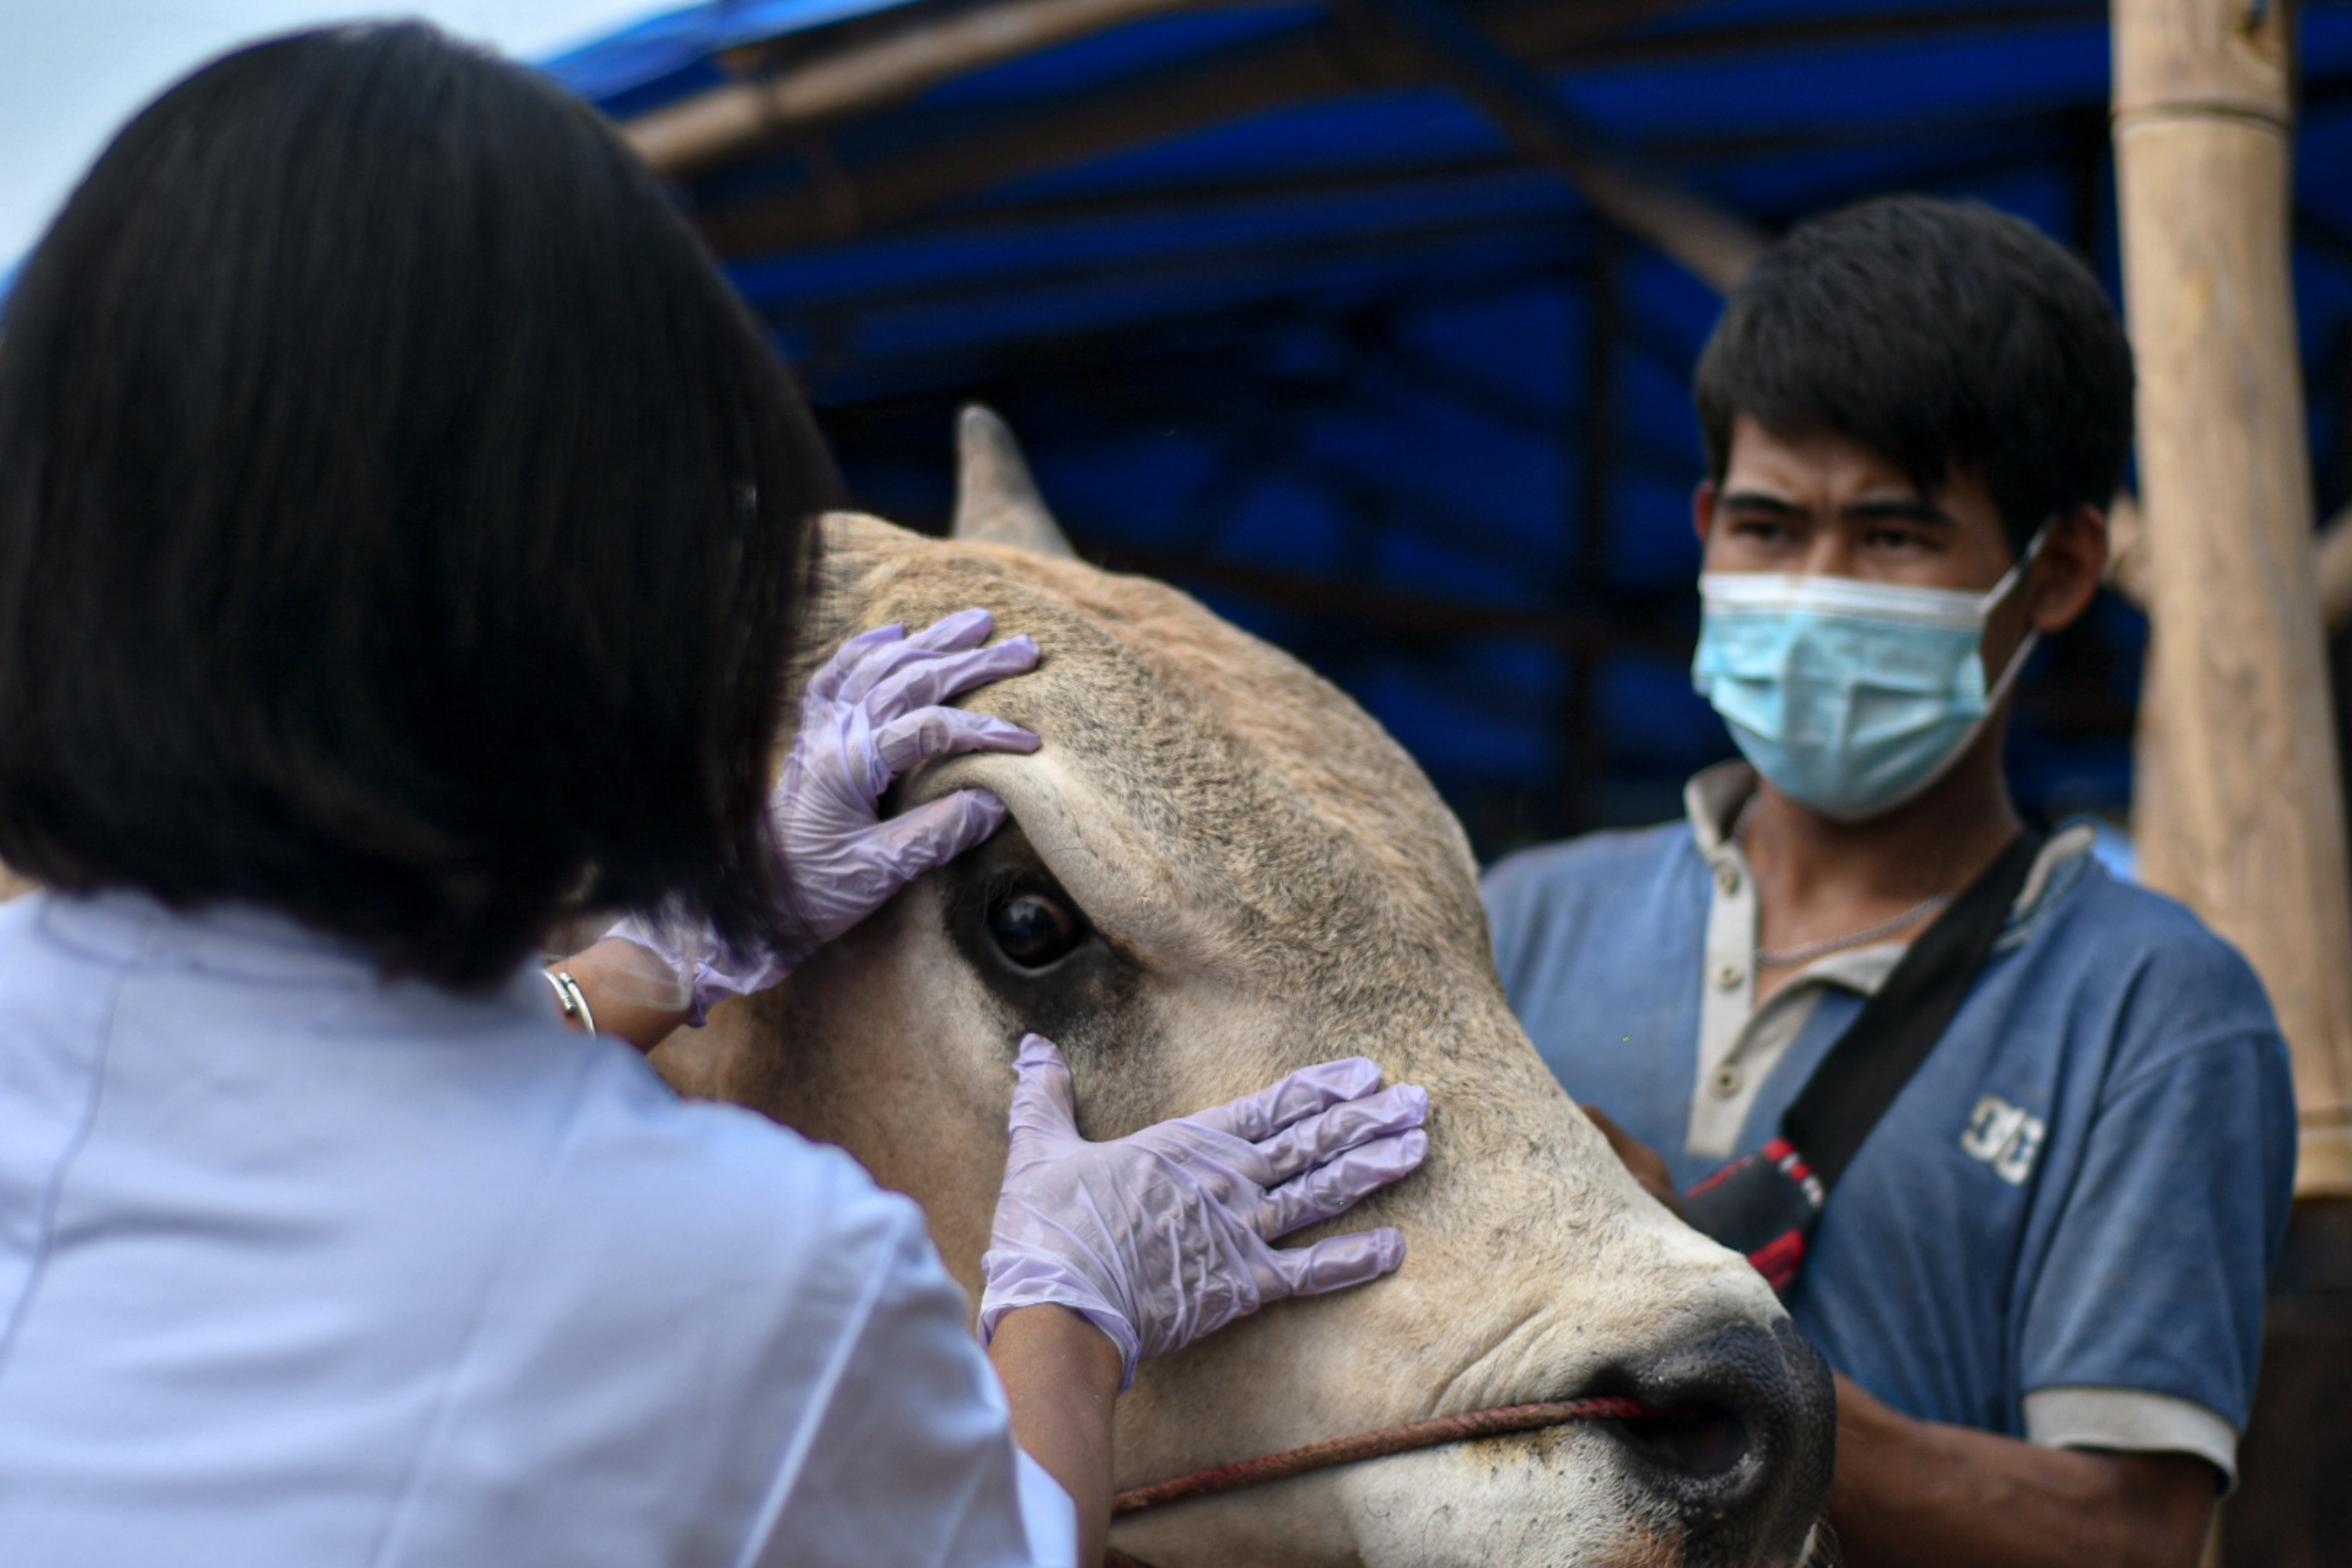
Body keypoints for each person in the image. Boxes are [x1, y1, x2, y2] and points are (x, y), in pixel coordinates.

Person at [0, 26, 1427, 1568]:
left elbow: (265, 1072)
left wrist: (636, 966)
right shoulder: (751, 1279)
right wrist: (1068, 1322)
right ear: (600, 619)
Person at [1483, 196, 2296, 1567]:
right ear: (1703, 527)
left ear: (2060, 571)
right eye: (1767, 525)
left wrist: (1682, 1309)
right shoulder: (1518, 919)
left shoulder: (2158, 1013)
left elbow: (2127, 1535)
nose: (1812, 586)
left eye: (1893, 538)